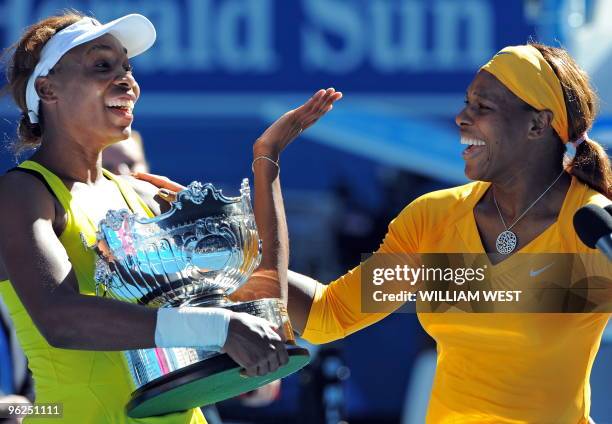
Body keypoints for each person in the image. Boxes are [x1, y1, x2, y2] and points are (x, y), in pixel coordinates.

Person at [0, 11, 341, 424]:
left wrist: (266, 164)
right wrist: (218, 328)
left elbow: (292, 306)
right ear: (47, 89)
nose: (127, 80)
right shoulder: (21, 194)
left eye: (127, 67)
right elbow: (62, 320)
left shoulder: (145, 197)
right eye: (102, 66)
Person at [280, 43, 611, 423]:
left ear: (537, 124)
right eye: (467, 103)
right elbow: (330, 315)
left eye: (482, 108)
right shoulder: (432, 219)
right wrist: (243, 264)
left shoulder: (592, 226)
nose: (461, 118)